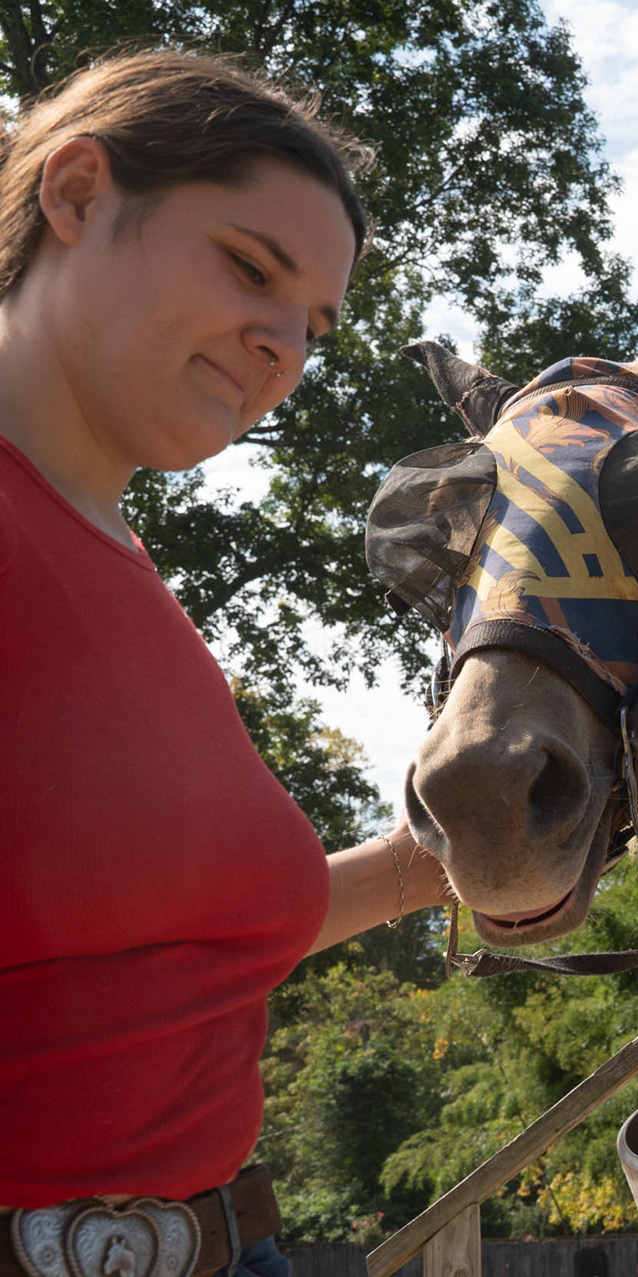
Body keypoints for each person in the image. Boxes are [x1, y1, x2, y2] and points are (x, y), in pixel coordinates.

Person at [0, 51, 452, 1277]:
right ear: (80, 195)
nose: (282, 347)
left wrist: (435, 863)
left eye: (313, 323)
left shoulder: (121, 566)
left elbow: (170, 950)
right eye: (252, 268)